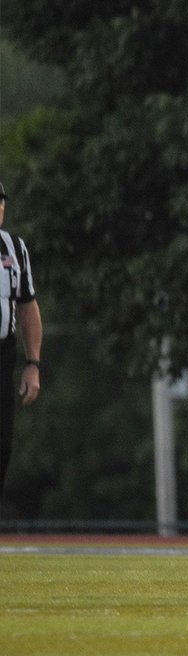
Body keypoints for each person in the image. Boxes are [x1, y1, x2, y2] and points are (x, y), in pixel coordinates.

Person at [0, 179, 43, 500]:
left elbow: (27, 306)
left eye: (1, 203)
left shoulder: (14, 248)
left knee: (2, 443)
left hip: (3, 354)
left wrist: (33, 363)